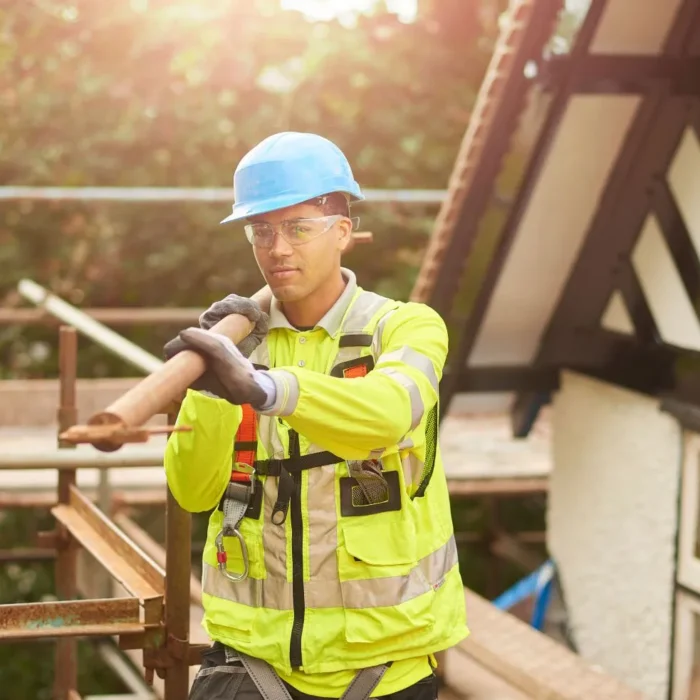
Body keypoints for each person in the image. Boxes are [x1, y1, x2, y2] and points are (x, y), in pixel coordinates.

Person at [163, 131, 468, 700]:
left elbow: (385, 413)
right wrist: (209, 390)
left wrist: (263, 388)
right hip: (252, 662)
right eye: (262, 231)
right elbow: (193, 492)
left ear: (343, 232)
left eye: (298, 228)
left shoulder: (406, 327)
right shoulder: (236, 346)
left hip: (384, 669)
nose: (278, 249)